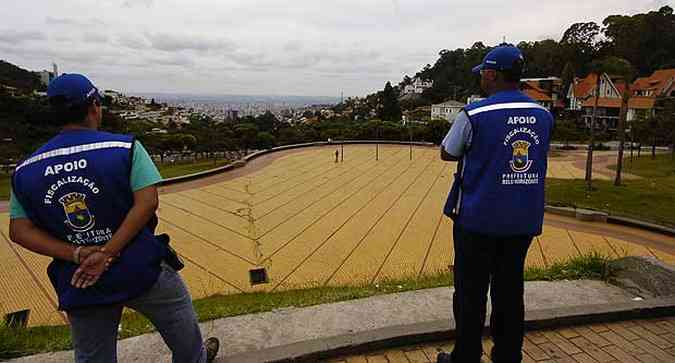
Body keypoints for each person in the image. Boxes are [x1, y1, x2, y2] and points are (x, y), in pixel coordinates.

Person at [8, 74, 220, 363]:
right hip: (141, 266)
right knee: (183, 333)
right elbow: (147, 203)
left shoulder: (24, 170)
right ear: (95, 106)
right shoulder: (125, 148)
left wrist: (79, 253)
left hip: (80, 277)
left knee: (93, 356)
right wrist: (108, 253)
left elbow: (20, 230)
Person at [437, 44, 553, 363]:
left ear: (491, 74)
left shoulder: (474, 113)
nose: (482, 80)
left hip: (477, 219)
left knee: (470, 295)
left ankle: (466, 357)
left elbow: (448, 151)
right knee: (510, 292)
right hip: (522, 221)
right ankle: (507, 356)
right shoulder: (543, 115)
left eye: (483, 74)